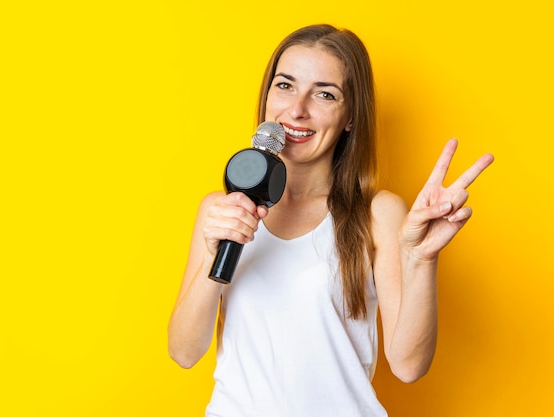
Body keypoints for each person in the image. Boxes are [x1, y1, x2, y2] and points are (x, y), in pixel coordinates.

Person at [168, 24, 494, 416]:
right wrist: (212, 254)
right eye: (285, 85)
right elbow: (184, 352)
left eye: (324, 94)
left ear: (351, 116)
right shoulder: (219, 210)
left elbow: (409, 365)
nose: (297, 109)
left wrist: (422, 260)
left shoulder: (378, 215)